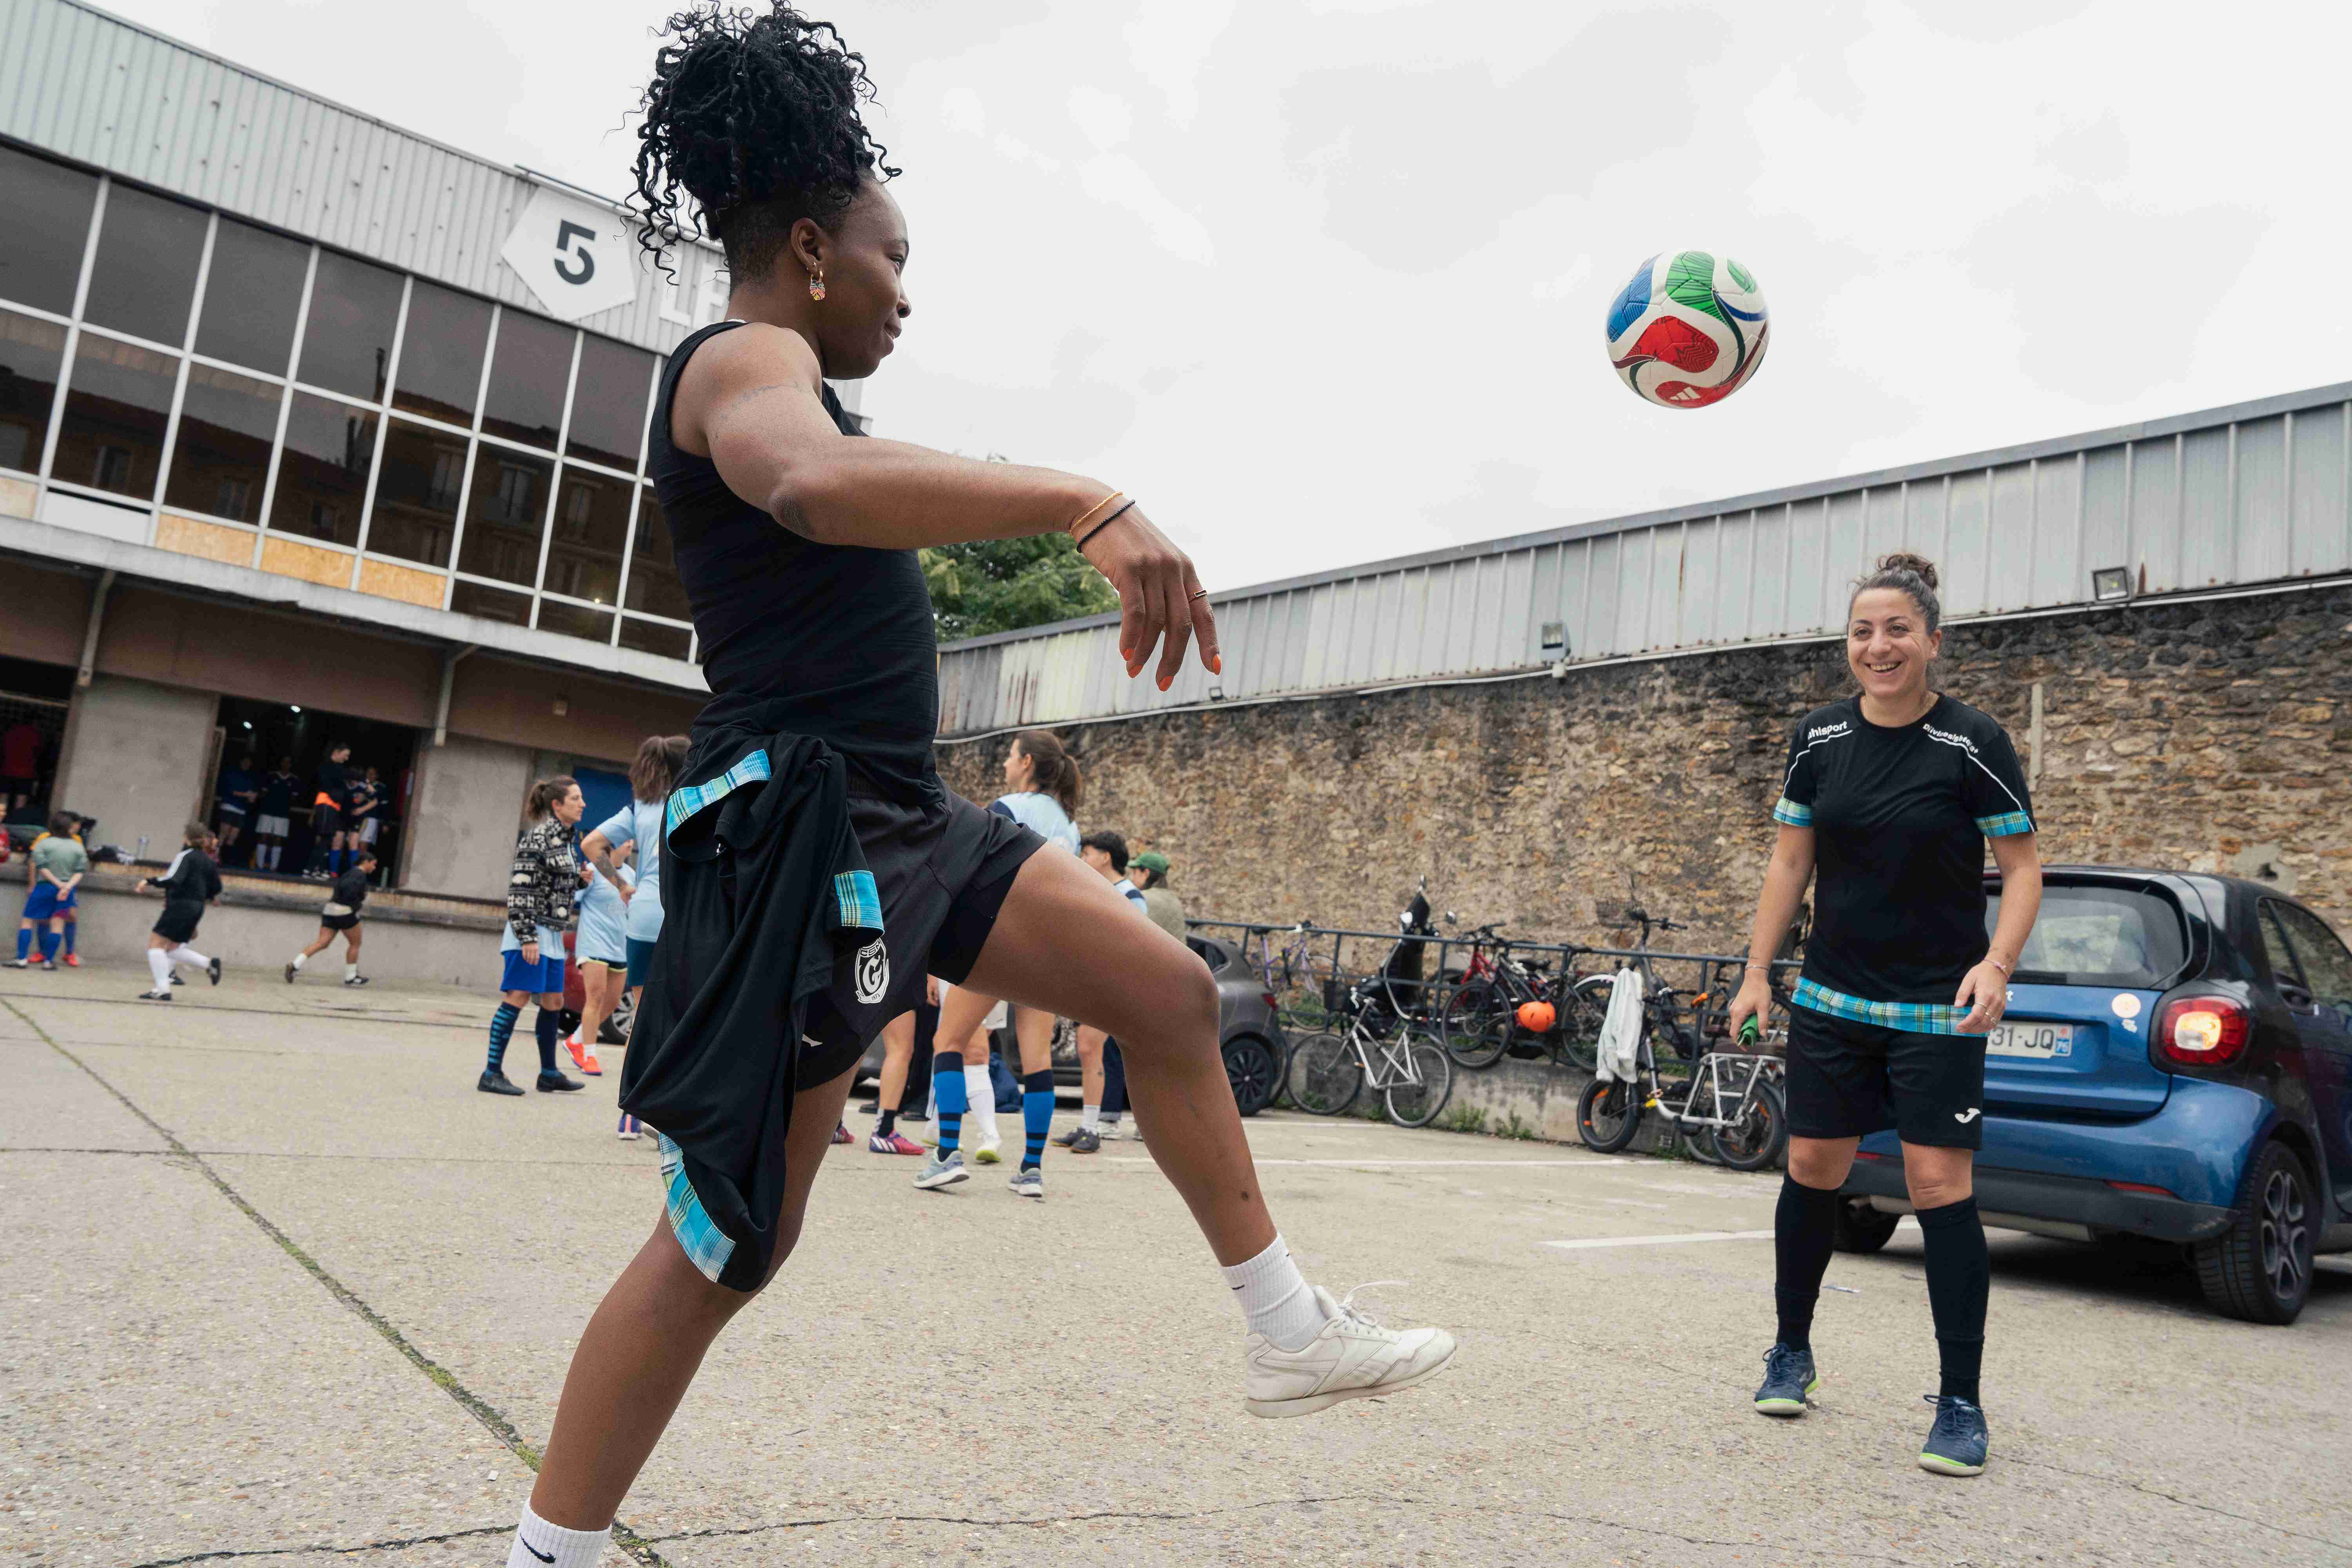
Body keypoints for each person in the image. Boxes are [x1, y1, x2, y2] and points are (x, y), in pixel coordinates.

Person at [499, 16, 1454, 1562]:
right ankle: (544, 1551)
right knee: (730, 1238)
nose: (907, 286)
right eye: (894, 255)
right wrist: (1085, 494)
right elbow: (805, 483)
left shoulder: (801, 372)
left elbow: (835, 481)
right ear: (811, 249)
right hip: (798, 826)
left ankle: (1287, 1329)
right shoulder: (748, 362)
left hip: (898, 811)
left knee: (1165, 991)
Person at [1726, 552, 2042, 1480]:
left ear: (1932, 642)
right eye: (1863, 631)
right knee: (1813, 1167)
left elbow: (2021, 870)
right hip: (1830, 997)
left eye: (1897, 629)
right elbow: (1790, 864)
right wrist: (1756, 975)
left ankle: (1960, 1402)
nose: (1879, 645)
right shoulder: (1817, 738)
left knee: (1940, 1187)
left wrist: (1996, 963)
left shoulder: (1971, 741)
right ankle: (1789, 1349)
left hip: (1934, 1008)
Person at [917, 730, 1083, 1196]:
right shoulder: (1070, 828)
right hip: (1047, 950)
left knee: (948, 1040)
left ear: (1027, 762)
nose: (1007, 764)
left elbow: (966, 873)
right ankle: (1031, 1168)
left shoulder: (1009, 807)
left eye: (1011, 756)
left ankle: (947, 1153)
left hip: (998, 939)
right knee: (1038, 1061)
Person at [579, 735, 689, 1131]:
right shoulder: (698, 799)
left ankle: (630, 1113)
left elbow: (592, 844)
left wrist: (623, 885)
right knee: (678, 1016)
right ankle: (665, 1107)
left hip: (642, 914)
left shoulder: (640, 807)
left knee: (643, 1016)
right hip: (683, 915)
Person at [478, 777, 590, 1097]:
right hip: (530, 933)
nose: (583, 804)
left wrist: (579, 881)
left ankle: (549, 1074)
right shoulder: (536, 838)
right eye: (576, 799)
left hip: (553, 933)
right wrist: (527, 936)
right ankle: (491, 1072)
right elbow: (520, 889)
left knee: (555, 1001)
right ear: (557, 805)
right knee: (518, 996)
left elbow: (553, 887)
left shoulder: (567, 841)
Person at [1060, 830, 1147, 1152]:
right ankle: (1089, 1125)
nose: (1083, 859)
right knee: (1088, 1051)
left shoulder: (1130, 895)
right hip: (1097, 983)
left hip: (1115, 985)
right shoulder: (1099, 890)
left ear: (1106, 857)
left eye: (1088, 854)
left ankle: (1093, 1128)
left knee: (1089, 1047)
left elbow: (1136, 945)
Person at [134, 822, 223, 1000]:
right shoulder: (209, 862)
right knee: (172, 947)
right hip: (197, 907)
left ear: (187, 839)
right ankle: (209, 965)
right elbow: (217, 888)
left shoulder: (186, 856)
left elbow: (173, 879)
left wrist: (149, 881)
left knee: (156, 944)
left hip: (180, 905)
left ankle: (163, 990)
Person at [567, 842, 634, 1076]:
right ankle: (590, 1056)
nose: (631, 843)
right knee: (594, 998)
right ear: (612, 845)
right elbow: (572, 897)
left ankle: (575, 1040)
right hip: (593, 943)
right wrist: (579, 880)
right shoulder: (595, 870)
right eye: (626, 839)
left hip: (619, 948)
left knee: (612, 1003)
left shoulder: (631, 875)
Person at [286, 849, 379, 986]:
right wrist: (356, 906)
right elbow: (350, 892)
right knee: (355, 944)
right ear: (366, 862)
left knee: (322, 943)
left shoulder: (349, 873)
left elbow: (340, 888)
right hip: (345, 912)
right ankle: (351, 977)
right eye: (373, 864)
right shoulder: (359, 875)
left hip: (330, 910)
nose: (374, 868)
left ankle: (294, 965)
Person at [6, 811, 85, 971]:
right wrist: (66, 887)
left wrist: (57, 884)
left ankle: (22, 959)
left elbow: (42, 869)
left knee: (28, 920)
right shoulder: (78, 847)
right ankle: (49, 961)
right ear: (70, 828)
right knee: (58, 923)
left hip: (44, 888)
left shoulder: (43, 844)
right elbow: (80, 871)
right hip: (66, 890)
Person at [305, 743, 359, 879]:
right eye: (346, 755)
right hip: (325, 806)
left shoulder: (338, 769)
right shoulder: (327, 766)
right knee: (324, 838)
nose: (347, 759)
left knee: (327, 839)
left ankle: (317, 869)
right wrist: (363, 779)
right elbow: (327, 786)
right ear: (337, 752)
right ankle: (312, 869)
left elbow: (343, 788)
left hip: (334, 808)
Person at [214, 754, 258, 866]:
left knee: (233, 837)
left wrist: (252, 797)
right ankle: (215, 858)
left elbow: (252, 797)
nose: (247, 765)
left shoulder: (251, 778)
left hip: (241, 810)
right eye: (245, 762)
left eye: (249, 763)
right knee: (223, 834)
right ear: (241, 762)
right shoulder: (232, 774)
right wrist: (246, 795)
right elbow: (232, 791)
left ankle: (226, 862)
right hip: (229, 806)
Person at [254, 757, 297, 872]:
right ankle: (259, 866)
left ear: (291, 765)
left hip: (283, 815)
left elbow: (294, 798)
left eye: (288, 762)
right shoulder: (271, 776)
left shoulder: (294, 780)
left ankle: (274, 868)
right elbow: (263, 794)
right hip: (267, 812)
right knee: (263, 837)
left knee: (278, 840)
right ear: (280, 763)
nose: (286, 764)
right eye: (284, 762)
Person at [1132, 849, 1184, 940]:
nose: (1133, 878)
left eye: (1135, 873)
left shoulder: (1143, 898)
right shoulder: (1175, 900)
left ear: (1146, 873)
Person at [351, 765, 385, 869]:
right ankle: (353, 869)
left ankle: (361, 870)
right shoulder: (359, 785)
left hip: (371, 819)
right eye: (368, 773)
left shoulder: (381, 787)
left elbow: (382, 805)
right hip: (356, 818)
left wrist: (385, 823)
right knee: (353, 845)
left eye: (373, 773)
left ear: (377, 776)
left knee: (363, 847)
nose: (370, 775)